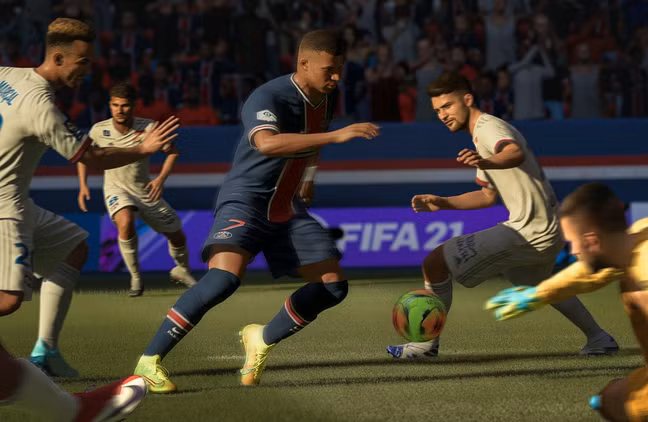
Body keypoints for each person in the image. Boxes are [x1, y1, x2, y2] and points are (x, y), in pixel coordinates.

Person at [132, 29, 379, 393]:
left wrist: (308, 176)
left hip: (287, 206)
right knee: (222, 280)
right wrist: (335, 136)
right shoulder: (267, 96)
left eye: (340, 68)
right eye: (329, 69)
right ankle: (149, 361)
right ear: (303, 63)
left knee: (333, 287)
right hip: (246, 199)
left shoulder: (326, 97)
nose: (337, 77)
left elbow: (312, 139)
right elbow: (266, 143)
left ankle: (260, 339)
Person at [0, 17, 178, 419]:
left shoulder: (7, 74)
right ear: (58, 58)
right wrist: (143, 147)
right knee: (8, 299)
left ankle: (45, 350)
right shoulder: (40, 105)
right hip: (4, 204)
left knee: (73, 246)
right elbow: (92, 157)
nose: (87, 70)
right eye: (82, 62)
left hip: (17, 199)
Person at [387, 72, 616, 359]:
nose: (443, 115)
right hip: (544, 228)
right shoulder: (480, 136)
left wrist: (486, 161)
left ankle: (424, 346)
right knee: (541, 285)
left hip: (529, 230)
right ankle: (599, 338)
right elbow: (487, 196)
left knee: (434, 263)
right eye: (437, 111)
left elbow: (513, 152)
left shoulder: (488, 128)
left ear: (467, 99)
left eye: (447, 106)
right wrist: (443, 203)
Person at [487, 182, 648, 422]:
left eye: (572, 244)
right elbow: (595, 271)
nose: (573, 252)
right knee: (616, 394)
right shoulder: (644, 235)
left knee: (619, 401)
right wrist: (538, 294)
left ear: (592, 241)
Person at [77, 82, 196, 297]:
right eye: (115, 105)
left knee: (177, 236)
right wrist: (83, 185)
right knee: (125, 222)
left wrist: (160, 179)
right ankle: (136, 277)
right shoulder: (98, 130)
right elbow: (83, 157)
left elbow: (172, 152)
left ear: (133, 106)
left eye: (124, 105)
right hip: (116, 188)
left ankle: (182, 270)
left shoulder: (148, 127)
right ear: (110, 105)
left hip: (145, 190)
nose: (120, 110)